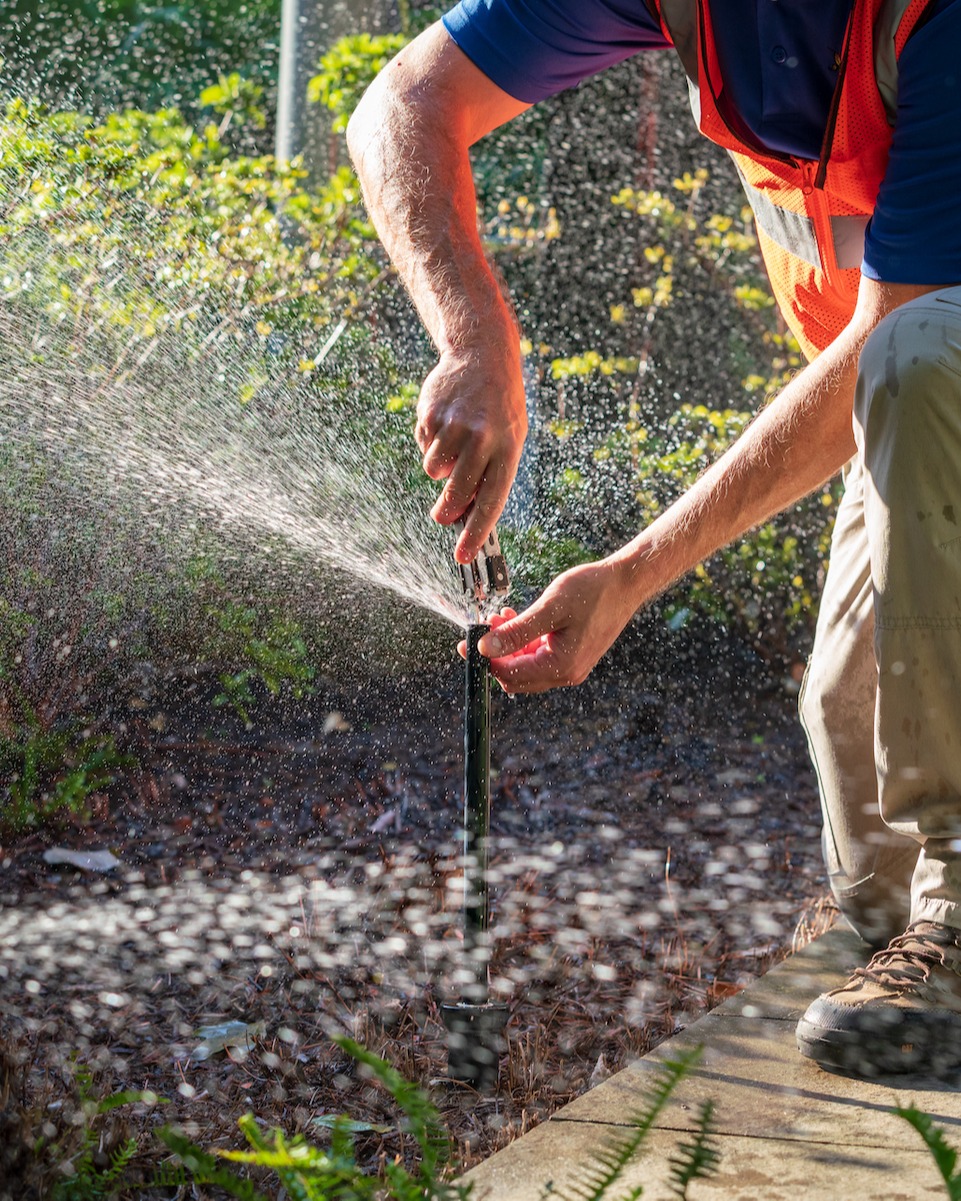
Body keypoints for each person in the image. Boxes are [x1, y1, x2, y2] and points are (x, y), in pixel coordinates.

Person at [346, 0, 961, 1077]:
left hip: (926, 364)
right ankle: (913, 924)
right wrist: (473, 330)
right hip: (915, 390)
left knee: (917, 352)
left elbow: (891, 333)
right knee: (855, 748)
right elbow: (403, 101)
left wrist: (629, 577)